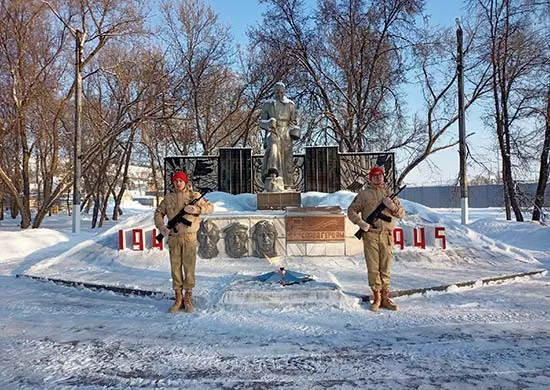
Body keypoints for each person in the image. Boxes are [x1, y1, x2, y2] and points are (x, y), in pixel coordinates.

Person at [154, 171, 213, 313]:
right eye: (176, 181)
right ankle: (178, 297)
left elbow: (210, 208)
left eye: (181, 180)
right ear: (173, 183)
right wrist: (162, 227)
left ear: (186, 182)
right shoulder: (168, 198)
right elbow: (158, 213)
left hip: (189, 238)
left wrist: (196, 209)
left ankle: (188, 297)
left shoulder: (194, 196)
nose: (178, 183)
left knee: (189, 267)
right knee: (175, 268)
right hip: (174, 238)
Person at [347, 166, 405, 312]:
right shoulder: (364, 194)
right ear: (370, 178)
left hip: (386, 236)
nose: (378, 178)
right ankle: (377, 297)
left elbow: (401, 214)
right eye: (375, 176)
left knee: (385, 268)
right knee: (373, 268)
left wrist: (392, 207)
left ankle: (386, 297)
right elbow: (351, 210)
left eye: (380, 175)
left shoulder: (390, 194)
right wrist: (361, 223)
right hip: (371, 236)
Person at [259, 81, 300, 190]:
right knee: (273, 148)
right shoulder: (267, 104)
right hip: (273, 131)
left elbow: (294, 122)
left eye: (281, 92)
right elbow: (261, 122)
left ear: (284, 92)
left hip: (286, 133)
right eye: (277, 92)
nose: (279, 94)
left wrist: (294, 130)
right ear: (274, 92)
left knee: (287, 160)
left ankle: (287, 185)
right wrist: (267, 123)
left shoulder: (290, 104)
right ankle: (272, 172)